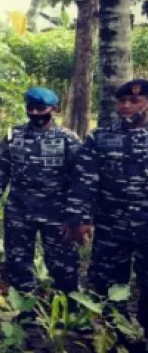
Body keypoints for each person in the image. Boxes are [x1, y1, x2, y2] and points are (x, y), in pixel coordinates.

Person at [67, 79, 148, 338]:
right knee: (109, 283)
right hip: (113, 224)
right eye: (122, 101)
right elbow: (84, 181)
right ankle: (116, 335)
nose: (126, 106)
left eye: (134, 101)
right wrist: (80, 218)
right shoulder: (100, 137)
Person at [0, 87, 82, 302]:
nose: (35, 113)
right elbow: (0, 170)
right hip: (19, 211)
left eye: (41, 108)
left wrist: (76, 215)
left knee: (62, 263)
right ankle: (26, 309)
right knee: (18, 261)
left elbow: (80, 179)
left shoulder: (68, 139)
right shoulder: (13, 136)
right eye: (31, 108)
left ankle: (71, 310)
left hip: (56, 212)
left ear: (54, 109)